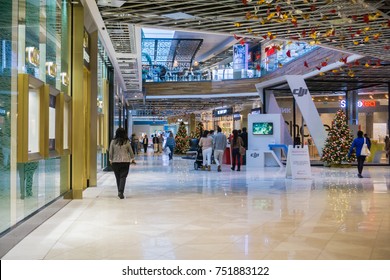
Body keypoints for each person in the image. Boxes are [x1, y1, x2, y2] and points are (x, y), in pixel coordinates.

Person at [109, 127, 135, 199]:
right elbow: (131, 151)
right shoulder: (126, 141)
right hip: (125, 162)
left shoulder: (113, 141)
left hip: (115, 162)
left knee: (118, 177)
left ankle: (119, 192)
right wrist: (132, 158)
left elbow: (111, 152)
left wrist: (110, 159)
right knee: (123, 177)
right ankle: (121, 192)